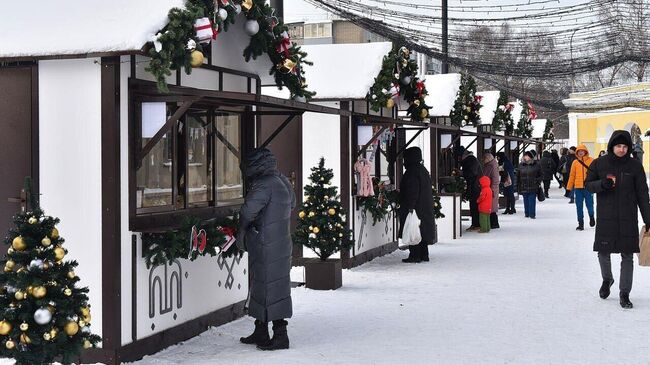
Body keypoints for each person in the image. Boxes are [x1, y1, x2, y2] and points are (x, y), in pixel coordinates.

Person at [237, 148, 295, 350]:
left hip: (265, 243)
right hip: (280, 241)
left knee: (269, 287)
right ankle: (261, 330)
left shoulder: (263, 184)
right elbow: (293, 203)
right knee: (268, 286)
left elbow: (248, 211)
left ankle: (280, 335)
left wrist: (243, 229)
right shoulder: (282, 180)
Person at [585, 130, 650, 309]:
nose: (621, 149)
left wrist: (648, 218)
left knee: (627, 255)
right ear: (612, 146)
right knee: (603, 252)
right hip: (606, 218)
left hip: (628, 218)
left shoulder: (635, 166)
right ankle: (607, 280)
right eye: (618, 146)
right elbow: (588, 186)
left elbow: (643, 195)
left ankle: (624, 293)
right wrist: (601, 185)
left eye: (624, 146)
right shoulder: (599, 164)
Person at [399, 147, 435, 263]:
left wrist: (410, 206)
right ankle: (424, 254)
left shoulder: (411, 172)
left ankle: (415, 255)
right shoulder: (422, 169)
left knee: (413, 229)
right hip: (425, 206)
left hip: (415, 207)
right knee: (422, 231)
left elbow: (412, 190)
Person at [566, 144, 595, 231]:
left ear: (585, 151)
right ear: (577, 153)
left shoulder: (591, 161)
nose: (581, 153)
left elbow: (595, 174)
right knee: (579, 206)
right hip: (578, 188)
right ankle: (580, 223)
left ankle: (591, 216)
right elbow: (572, 176)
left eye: (582, 151)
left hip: (588, 187)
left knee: (590, 205)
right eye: (579, 151)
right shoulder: (575, 162)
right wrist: (569, 188)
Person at [460, 148, 483, 231]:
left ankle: (476, 224)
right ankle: (475, 224)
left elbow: (472, 173)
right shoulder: (472, 159)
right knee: (473, 206)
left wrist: (462, 173)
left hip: (475, 187)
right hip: (475, 186)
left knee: (474, 206)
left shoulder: (470, 160)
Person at [517, 151, 542, 219]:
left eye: (526, 155)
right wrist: (518, 186)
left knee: (532, 200)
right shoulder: (521, 165)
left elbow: (541, 175)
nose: (525, 157)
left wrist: (536, 181)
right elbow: (518, 176)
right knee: (525, 200)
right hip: (524, 185)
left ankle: (532, 214)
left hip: (533, 185)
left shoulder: (536, 165)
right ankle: (527, 213)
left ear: (530, 157)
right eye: (524, 155)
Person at [482, 152, 500, 228]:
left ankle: (494, 224)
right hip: (492, 188)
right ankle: (494, 223)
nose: (483, 161)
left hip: (491, 189)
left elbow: (489, 178)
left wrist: (491, 189)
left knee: (491, 207)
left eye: (484, 159)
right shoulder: (493, 164)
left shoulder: (491, 166)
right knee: (491, 207)